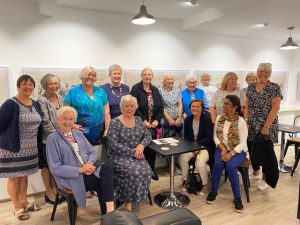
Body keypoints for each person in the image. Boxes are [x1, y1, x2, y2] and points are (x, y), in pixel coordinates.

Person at [46, 106, 114, 214]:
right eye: (64, 118)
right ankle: (109, 214)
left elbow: (92, 152)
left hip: (88, 170)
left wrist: (89, 164)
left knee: (107, 168)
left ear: (74, 121)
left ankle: (109, 212)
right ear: (58, 119)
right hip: (71, 177)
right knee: (104, 182)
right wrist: (81, 170)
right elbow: (55, 168)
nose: (68, 122)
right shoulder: (52, 139)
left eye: (71, 119)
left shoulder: (78, 134)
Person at [0, 75, 42, 220]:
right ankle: (16, 206)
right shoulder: (10, 103)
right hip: (13, 148)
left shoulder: (35, 104)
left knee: (24, 176)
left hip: (31, 148)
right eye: (24, 84)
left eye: (31, 84)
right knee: (14, 178)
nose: (28, 87)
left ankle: (24, 201)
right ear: (18, 86)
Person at [107, 95, 152, 211]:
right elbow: (113, 144)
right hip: (119, 156)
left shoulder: (138, 119)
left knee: (147, 171)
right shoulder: (114, 122)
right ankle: (126, 202)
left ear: (135, 107)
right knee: (134, 172)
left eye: (132, 106)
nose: (129, 108)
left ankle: (136, 197)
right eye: (126, 106)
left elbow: (148, 136)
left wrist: (141, 146)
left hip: (138, 154)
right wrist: (133, 151)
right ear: (121, 107)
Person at [206, 95, 247, 213]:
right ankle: (213, 192)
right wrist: (223, 149)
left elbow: (243, 142)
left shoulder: (241, 121)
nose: (224, 106)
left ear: (235, 107)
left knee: (230, 166)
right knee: (218, 165)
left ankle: (237, 198)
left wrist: (231, 153)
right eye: (224, 103)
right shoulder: (219, 117)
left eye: (227, 104)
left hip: (238, 151)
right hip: (222, 148)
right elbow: (215, 136)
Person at [244, 63, 282, 189]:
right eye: (260, 71)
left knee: (266, 152)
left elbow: (275, 108)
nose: (263, 74)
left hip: (267, 126)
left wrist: (266, 126)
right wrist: (246, 120)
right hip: (252, 125)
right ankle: (256, 172)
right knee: (252, 148)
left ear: (269, 74)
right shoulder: (251, 87)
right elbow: (247, 105)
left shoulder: (274, 88)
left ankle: (266, 179)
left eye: (266, 72)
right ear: (257, 72)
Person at [64, 66, 110, 160]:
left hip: (98, 134)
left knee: (95, 160)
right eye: (88, 74)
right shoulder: (73, 92)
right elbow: (65, 112)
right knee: (81, 160)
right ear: (82, 76)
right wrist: (73, 125)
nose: (91, 77)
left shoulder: (100, 92)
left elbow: (106, 111)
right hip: (79, 133)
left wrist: (107, 128)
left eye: (93, 75)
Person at [130, 67, 164, 181]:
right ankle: (141, 172)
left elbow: (160, 107)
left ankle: (152, 170)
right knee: (141, 149)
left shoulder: (155, 89)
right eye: (145, 74)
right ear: (141, 76)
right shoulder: (135, 88)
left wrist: (157, 120)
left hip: (153, 126)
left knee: (152, 149)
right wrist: (143, 120)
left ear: (152, 76)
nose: (147, 76)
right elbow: (134, 106)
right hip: (140, 125)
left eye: (149, 74)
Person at [37, 74, 65, 205]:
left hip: (61, 137)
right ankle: (48, 193)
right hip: (48, 140)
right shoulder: (42, 100)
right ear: (45, 85)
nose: (54, 86)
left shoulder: (60, 97)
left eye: (55, 83)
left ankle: (56, 189)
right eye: (50, 84)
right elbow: (46, 122)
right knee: (47, 167)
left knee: (56, 166)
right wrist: (58, 136)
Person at [179, 99, 214, 194]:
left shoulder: (207, 119)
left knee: (199, 163)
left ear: (202, 108)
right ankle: (186, 180)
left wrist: (198, 147)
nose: (195, 108)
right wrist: (193, 147)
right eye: (193, 106)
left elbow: (209, 138)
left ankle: (205, 184)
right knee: (183, 158)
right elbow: (186, 137)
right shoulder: (188, 120)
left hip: (205, 146)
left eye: (198, 106)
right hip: (192, 147)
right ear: (190, 108)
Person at [159, 73, 183, 137]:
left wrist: (179, 117)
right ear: (164, 81)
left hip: (177, 118)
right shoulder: (160, 90)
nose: (170, 81)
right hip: (165, 118)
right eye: (168, 79)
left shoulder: (177, 89)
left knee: (179, 139)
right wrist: (169, 119)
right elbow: (161, 106)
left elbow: (180, 104)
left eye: (172, 79)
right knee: (166, 139)